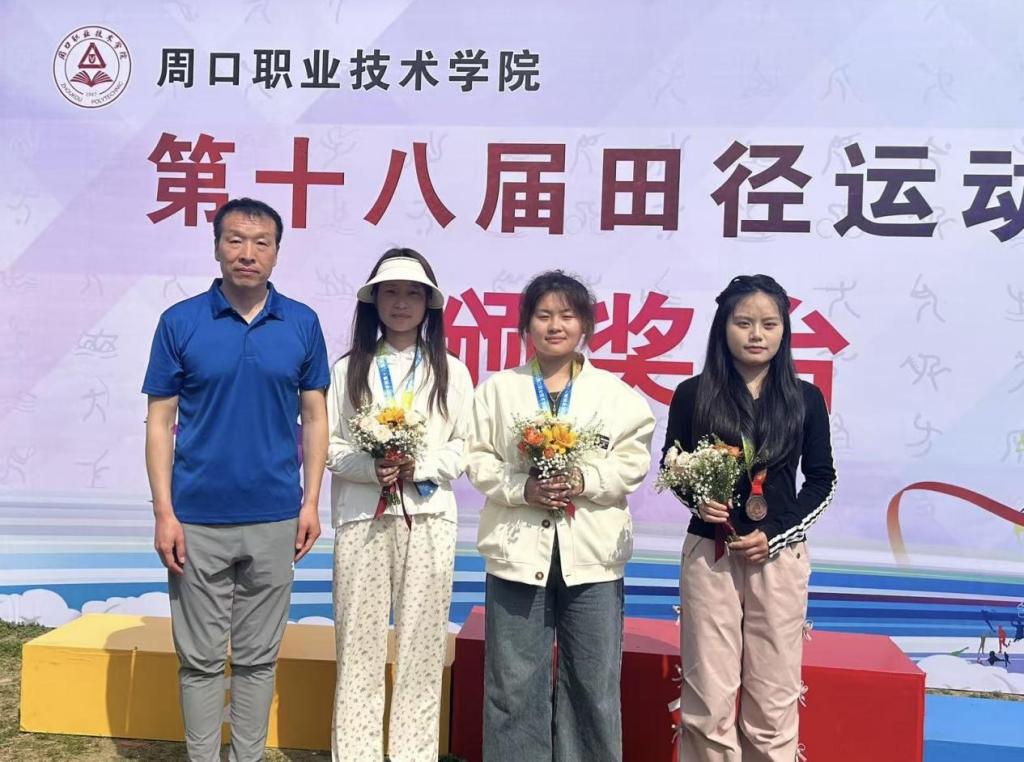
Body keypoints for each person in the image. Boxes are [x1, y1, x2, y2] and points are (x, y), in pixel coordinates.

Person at [143, 197, 329, 761]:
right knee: (199, 660)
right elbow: (159, 422)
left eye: (261, 242)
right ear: (217, 246)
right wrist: (164, 513)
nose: (248, 253)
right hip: (196, 519)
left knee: (257, 658)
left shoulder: (302, 323)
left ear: (276, 252)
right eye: (236, 240)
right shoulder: (180, 322)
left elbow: (315, 417)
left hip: (276, 516)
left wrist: (311, 503)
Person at [467, 270, 655, 761]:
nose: (555, 326)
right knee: (512, 683)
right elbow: (477, 458)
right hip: (515, 552)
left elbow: (632, 463)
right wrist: (521, 489)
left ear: (585, 325)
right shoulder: (498, 391)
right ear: (526, 325)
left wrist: (584, 480)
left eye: (567, 316)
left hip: (592, 556)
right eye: (543, 315)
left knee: (593, 683)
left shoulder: (616, 395)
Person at [663, 274, 836, 762]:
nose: (756, 334)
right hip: (710, 554)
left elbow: (821, 480)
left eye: (769, 324)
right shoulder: (693, 394)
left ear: (784, 331)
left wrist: (776, 534)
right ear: (723, 327)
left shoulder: (804, 398)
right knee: (708, 698)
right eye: (743, 323)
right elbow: (672, 466)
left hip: (778, 558)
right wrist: (698, 500)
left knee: (773, 699)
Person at [327, 249, 474, 761]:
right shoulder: (348, 369)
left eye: (413, 293)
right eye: (390, 292)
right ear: (374, 300)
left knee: (422, 647)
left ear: (430, 303)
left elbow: (465, 446)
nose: (401, 303)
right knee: (357, 646)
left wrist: (420, 465)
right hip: (361, 518)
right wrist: (371, 468)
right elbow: (329, 446)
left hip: (429, 519)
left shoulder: (452, 371)